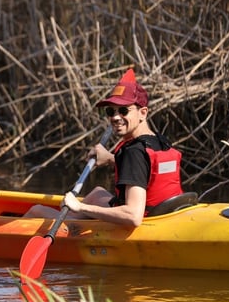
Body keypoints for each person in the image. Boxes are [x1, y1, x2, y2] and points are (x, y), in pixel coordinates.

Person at [25, 68, 183, 226]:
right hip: (165, 214)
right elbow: (146, 169)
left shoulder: (133, 151)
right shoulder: (159, 141)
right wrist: (110, 159)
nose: (115, 117)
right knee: (97, 193)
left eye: (123, 110)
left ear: (143, 113)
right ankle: (71, 223)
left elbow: (133, 216)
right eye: (110, 111)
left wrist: (81, 207)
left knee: (36, 211)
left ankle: (68, 223)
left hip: (141, 223)